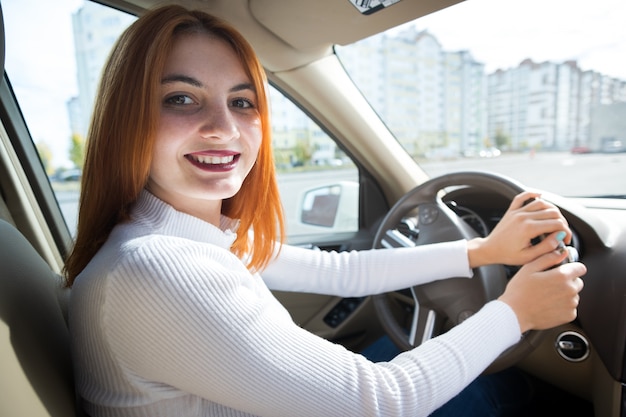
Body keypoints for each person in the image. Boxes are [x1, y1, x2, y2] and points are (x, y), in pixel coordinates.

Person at [65, 5, 586, 417]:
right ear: (126, 119)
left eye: (243, 102)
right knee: (507, 392)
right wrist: (516, 311)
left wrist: (483, 250)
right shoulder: (156, 269)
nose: (223, 127)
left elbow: (340, 271)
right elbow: (384, 401)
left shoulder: (179, 236)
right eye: (181, 99)